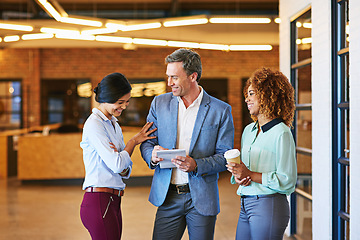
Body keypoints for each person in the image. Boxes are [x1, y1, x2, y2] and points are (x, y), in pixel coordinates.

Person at [140, 48, 235, 240]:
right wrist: (152, 153)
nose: (169, 83)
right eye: (168, 77)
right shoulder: (159, 104)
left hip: (201, 197)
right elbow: (147, 143)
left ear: (193, 76)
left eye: (174, 77)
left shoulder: (221, 110)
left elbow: (224, 156)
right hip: (168, 196)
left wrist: (196, 165)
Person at [80, 72, 156, 240]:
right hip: (99, 201)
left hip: (113, 200)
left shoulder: (114, 124)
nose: (124, 106)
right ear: (105, 99)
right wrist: (133, 142)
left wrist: (120, 158)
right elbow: (117, 164)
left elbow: (124, 170)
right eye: (120, 102)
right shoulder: (94, 124)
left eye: (127, 101)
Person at [227, 67, 297, 240]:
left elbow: (287, 180)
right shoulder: (248, 131)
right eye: (247, 94)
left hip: (269, 204)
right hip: (245, 202)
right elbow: (246, 170)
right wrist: (238, 176)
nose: (246, 99)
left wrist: (250, 174)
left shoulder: (282, 133)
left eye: (251, 94)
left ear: (268, 95)